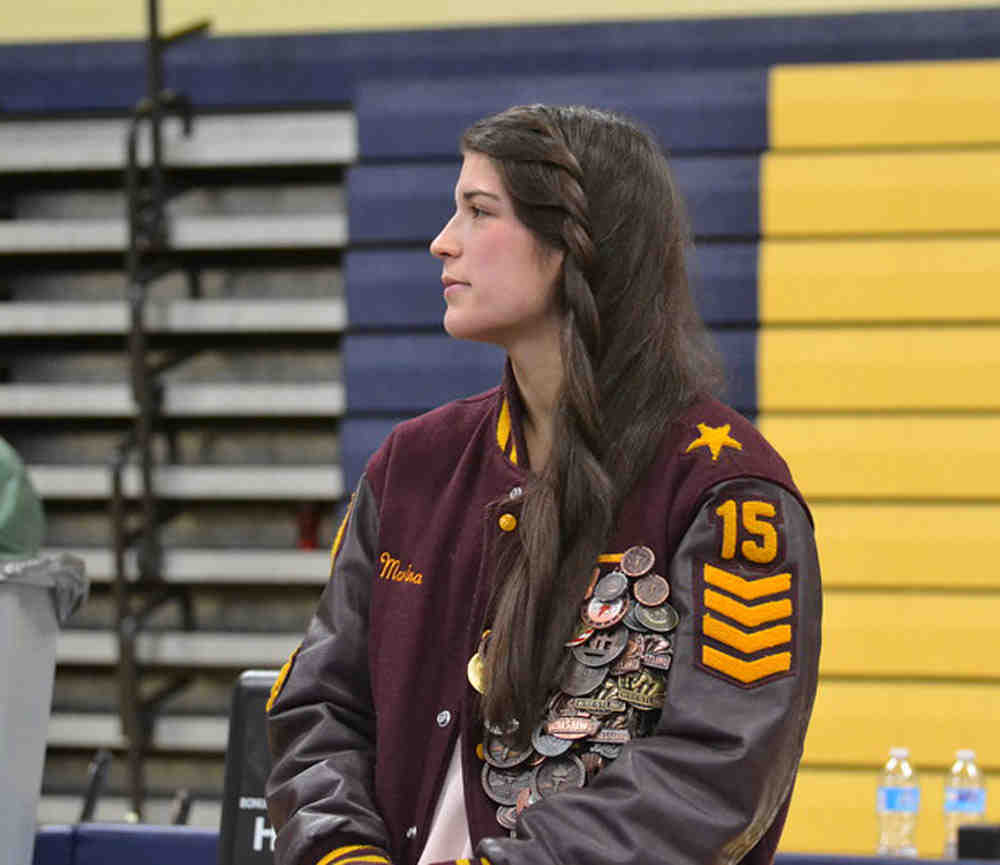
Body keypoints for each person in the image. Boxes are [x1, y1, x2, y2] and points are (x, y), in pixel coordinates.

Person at [265, 104, 822, 865]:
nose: (442, 240)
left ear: (569, 245)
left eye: (478, 210)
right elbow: (320, 708)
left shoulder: (728, 493)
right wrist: (341, 853)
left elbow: (721, 770)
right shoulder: (411, 466)